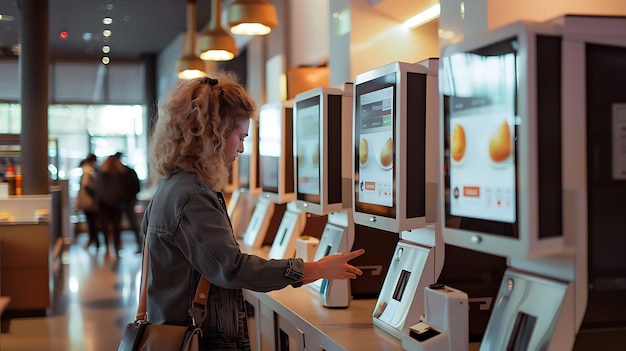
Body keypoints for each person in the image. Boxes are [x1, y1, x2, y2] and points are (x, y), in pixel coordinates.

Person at [142, 72, 365, 350]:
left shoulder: (171, 187)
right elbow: (232, 268)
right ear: (214, 135)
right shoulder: (192, 194)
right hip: (198, 338)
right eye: (240, 137)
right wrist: (313, 269)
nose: (242, 148)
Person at [95, 154, 126, 256]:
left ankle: (108, 245)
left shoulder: (102, 173)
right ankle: (116, 245)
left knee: (105, 225)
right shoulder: (119, 173)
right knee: (116, 225)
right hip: (116, 203)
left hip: (104, 204)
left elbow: (98, 189)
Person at [113, 152, 142, 251]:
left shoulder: (129, 172)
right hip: (119, 203)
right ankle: (117, 245)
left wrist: (132, 198)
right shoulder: (116, 174)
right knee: (117, 224)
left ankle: (139, 244)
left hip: (129, 202)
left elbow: (136, 187)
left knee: (133, 224)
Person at [74, 153, 100, 250]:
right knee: (93, 222)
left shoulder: (87, 171)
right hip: (89, 201)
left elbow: (85, 186)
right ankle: (95, 241)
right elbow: (87, 186)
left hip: (87, 202)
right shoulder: (89, 171)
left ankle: (94, 241)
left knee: (92, 222)